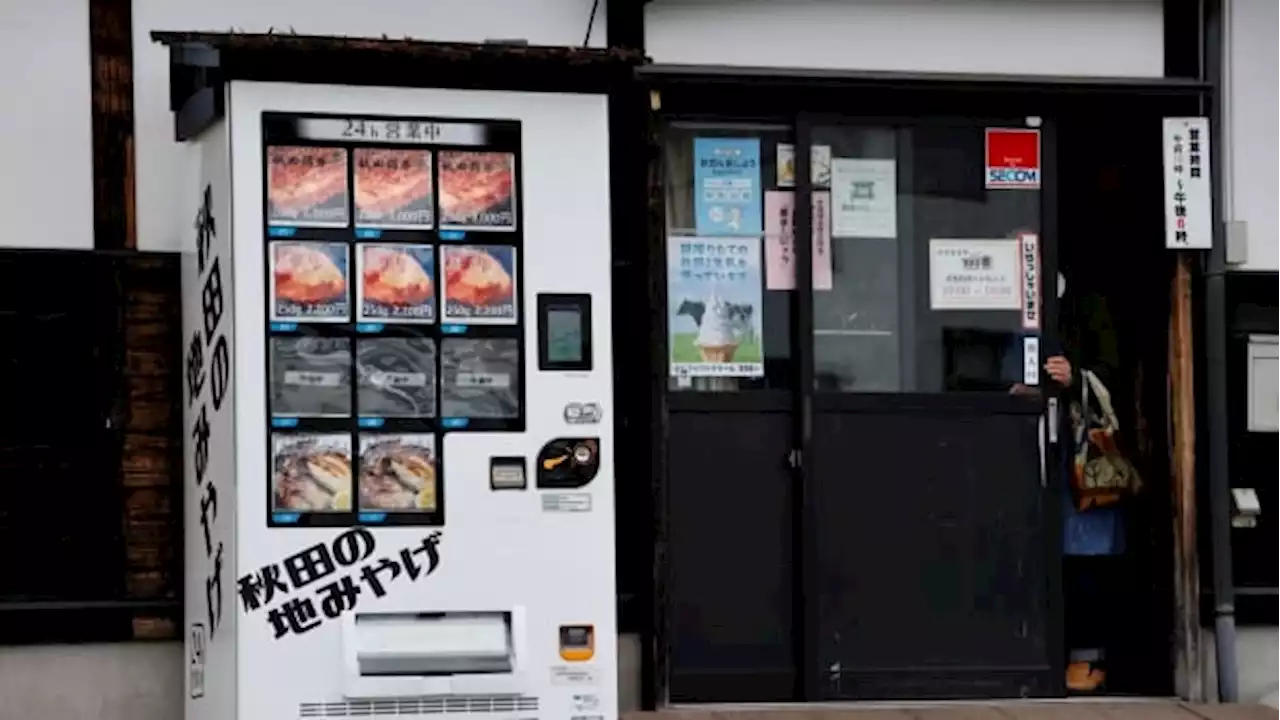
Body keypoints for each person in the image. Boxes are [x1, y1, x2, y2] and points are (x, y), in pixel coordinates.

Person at [1010, 272, 1127, 693]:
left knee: (1084, 557)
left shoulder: (1087, 301)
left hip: (1081, 450)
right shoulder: (1004, 299)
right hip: (1021, 444)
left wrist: (1075, 376)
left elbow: (1114, 370)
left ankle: (1087, 657)